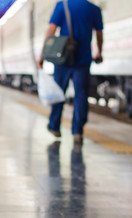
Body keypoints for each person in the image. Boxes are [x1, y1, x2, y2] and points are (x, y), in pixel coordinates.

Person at [37, 0, 104, 144]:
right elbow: (99, 33)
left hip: (64, 58)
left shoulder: (63, 5)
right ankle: (78, 131)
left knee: (59, 93)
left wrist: (42, 55)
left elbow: (51, 30)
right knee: (81, 95)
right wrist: (99, 52)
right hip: (84, 59)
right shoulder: (94, 9)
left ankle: (54, 126)